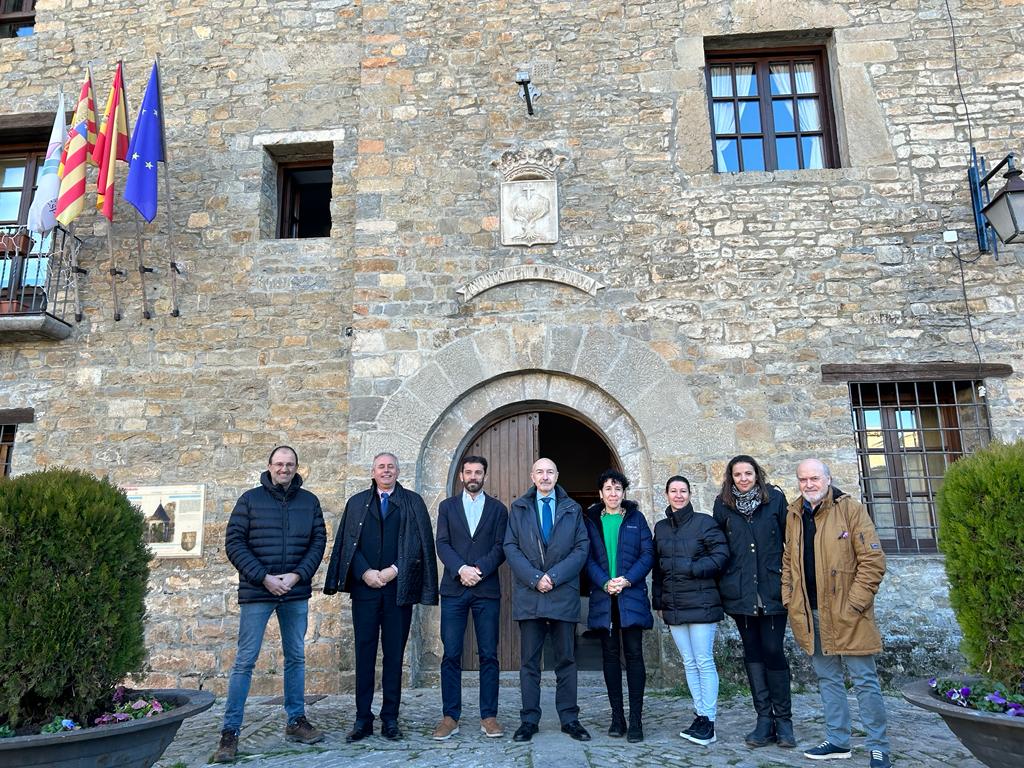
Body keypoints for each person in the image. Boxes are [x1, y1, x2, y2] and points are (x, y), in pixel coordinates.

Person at [212, 446, 327, 764]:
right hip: (257, 592)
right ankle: (230, 732)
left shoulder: (309, 502)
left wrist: (297, 575)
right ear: (269, 466)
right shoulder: (249, 500)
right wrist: (263, 577)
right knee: (244, 662)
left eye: (290, 464)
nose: (284, 469)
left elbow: (318, 541)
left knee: (296, 658)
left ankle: (295, 721)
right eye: (279, 464)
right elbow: (234, 543)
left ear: (296, 468)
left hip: (294, 590)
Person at [783, 459, 891, 768]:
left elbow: (872, 561)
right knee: (827, 679)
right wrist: (790, 599)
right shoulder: (794, 514)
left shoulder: (850, 510)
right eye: (803, 479)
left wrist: (855, 604)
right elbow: (788, 560)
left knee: (865, 681)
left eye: (814, 478)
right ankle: (838, 741)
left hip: (850, 614)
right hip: (811, 613)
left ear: (828, 479)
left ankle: (878, 746)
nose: (809, 484)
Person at [323, 452, 438, 742]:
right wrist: (364, 573)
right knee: (364, 654)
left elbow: (419, 544)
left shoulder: (412, 502)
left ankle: (390, 718)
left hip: (398, 591)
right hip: (365, 590)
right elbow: (349, 544)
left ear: (398, 471)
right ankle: (363, 718)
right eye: (381, 467)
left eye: (391, 467)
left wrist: (392, 571)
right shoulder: (356, 503)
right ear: (373, 472)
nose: (386, 471)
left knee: (394, 656)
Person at [504, 457, 591, 743]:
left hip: (562, 594)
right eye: (540, 472)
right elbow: (511, 547)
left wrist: (552, 576)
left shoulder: (572, 508)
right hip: (530, 596)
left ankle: (570, 719)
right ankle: (529, 720)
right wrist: (534, 578)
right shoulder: (518, 508)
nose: (545, 476)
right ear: (532, 476)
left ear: (557, 475)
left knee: (566, 660)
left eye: (550, 471)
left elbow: (581, 548)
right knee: (530, 663)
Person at [712, 454, 795, 748]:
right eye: (738, 474)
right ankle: (764, 720)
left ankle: (784, 722)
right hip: (741, 592)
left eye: (748, 473)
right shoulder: (723, 505)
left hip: (772, 588)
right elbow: (718, 546)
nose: (743, 478)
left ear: (756, 475)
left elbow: (791, 541)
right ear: (731, 478)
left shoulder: (774, 499)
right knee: (753, 653)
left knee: (773, 650)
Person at [432, 455, 509, 740]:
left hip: (486, 590)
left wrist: (479, 569)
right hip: (454, 589)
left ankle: (489, 716)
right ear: (461, 476)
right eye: (469, 472)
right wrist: (461, 569)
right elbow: (442, 543)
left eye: (478, 472)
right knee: (451, 654)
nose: (473, 476)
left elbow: (501, 546)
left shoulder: (498, 509)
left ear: (485, 476)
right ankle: (450, 716)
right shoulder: (447, 507)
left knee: (489, 654)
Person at [653, 474, 730, 747]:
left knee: (703, 661)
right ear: (666, 495)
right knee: (689, 662)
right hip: (674, 605)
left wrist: (695, 569)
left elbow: (721, 555)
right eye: (673, 491)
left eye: (683, 491)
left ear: (690, 494)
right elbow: (658, 569)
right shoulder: (661, 528)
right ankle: (699, 715)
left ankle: (709, 720)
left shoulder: (704, 523)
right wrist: (658, 602)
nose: (678, 495)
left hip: (702, 602)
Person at [583, 469, 654, 742]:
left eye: (617, 489)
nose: (613, 494)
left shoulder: (636, 519)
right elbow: (586, 557)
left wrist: (627, 580)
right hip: (604, 597)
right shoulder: (590, 520)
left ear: (624, 493)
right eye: (608, 489)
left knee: (634, 655)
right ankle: (617, 717)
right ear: (600, 494)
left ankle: (636, 720)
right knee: (610, 657)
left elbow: (647, 554)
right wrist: (605, 582)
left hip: (630, 595)